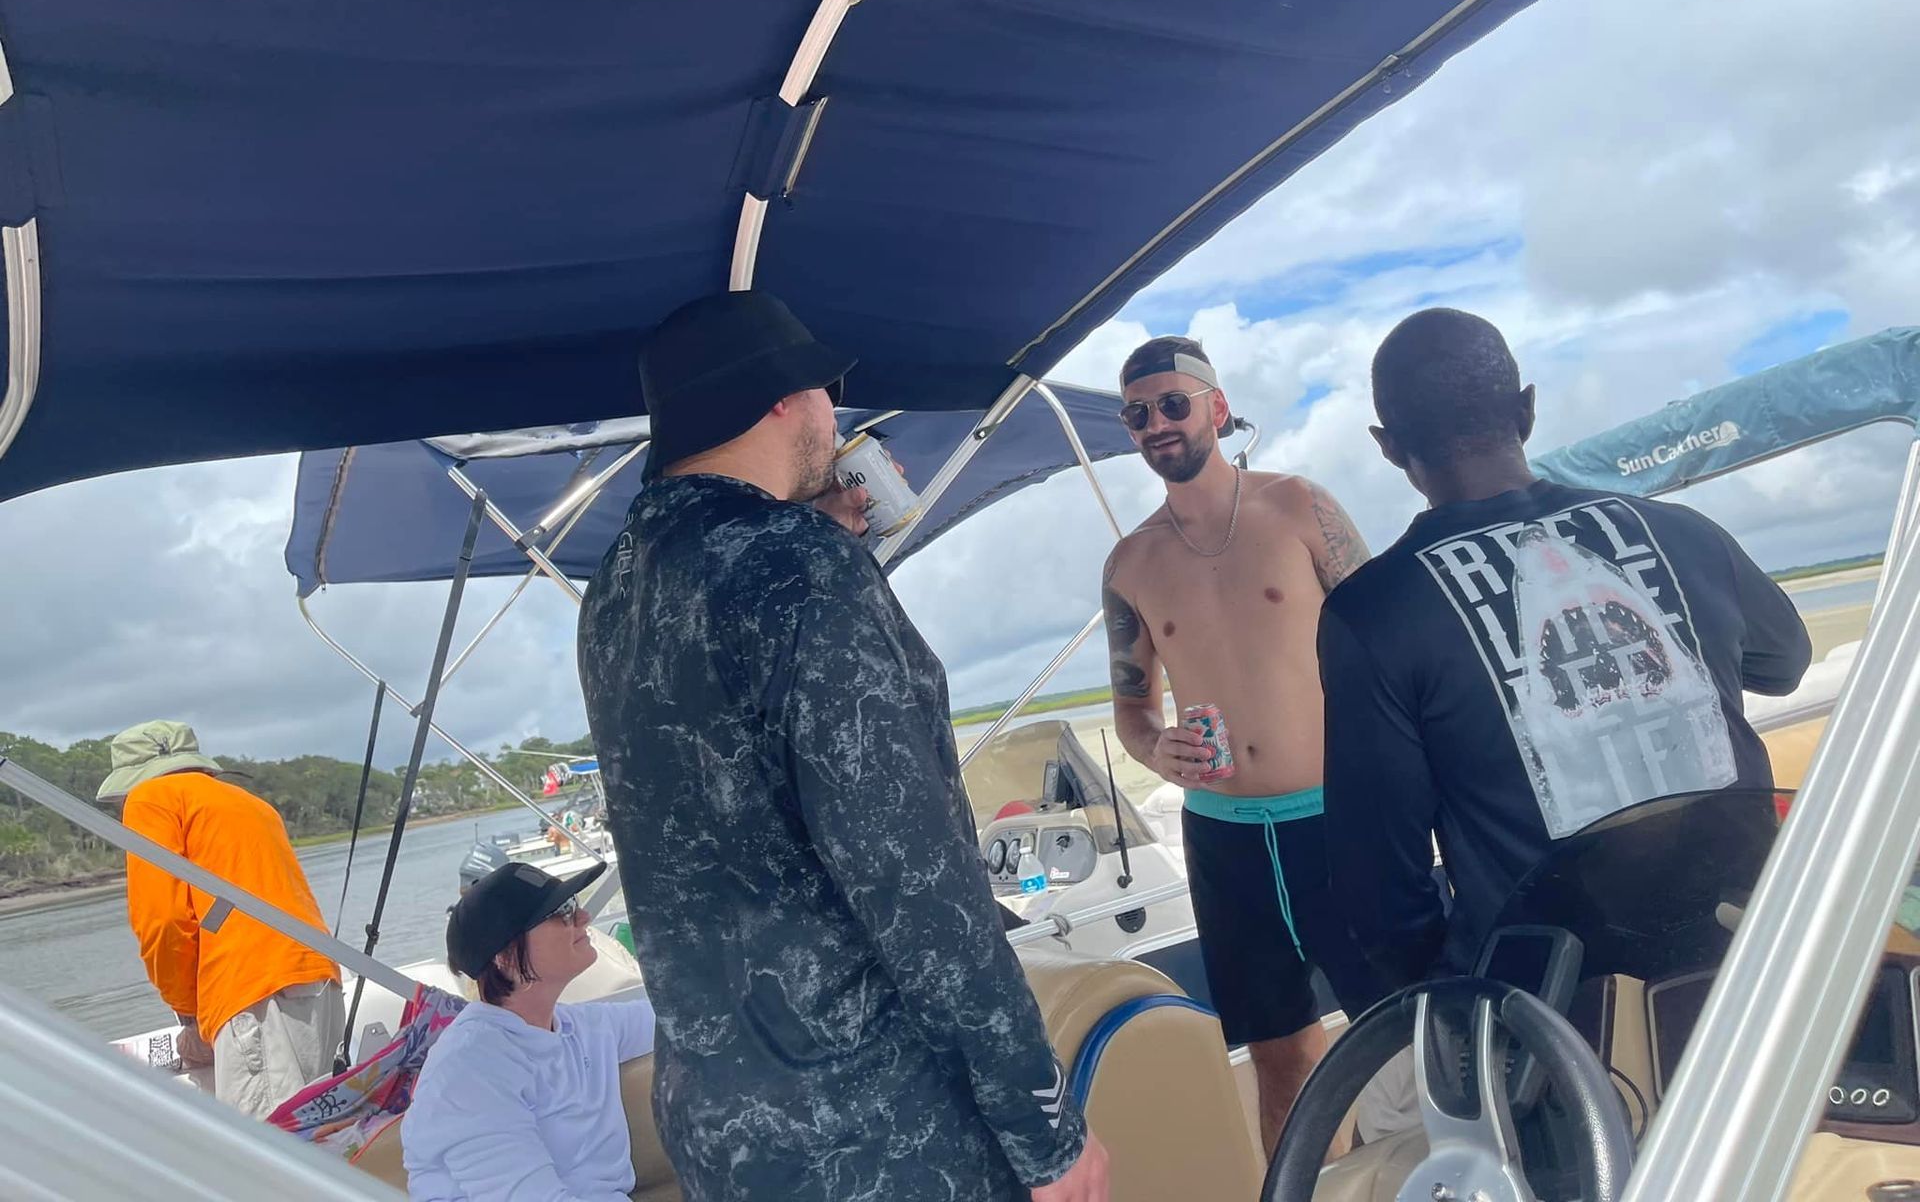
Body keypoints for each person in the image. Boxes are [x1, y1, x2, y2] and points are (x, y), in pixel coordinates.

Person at [577, 290, 1108, 1202]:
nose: (836, 412)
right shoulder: (798, 567)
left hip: (719, 1124)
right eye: (828, 390)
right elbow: (914, 879)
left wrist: (810, 541)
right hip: (874, 1131)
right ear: (784, 398)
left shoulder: (614, 592)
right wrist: (1045, 1128)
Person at [1320, 308, 1812, 989]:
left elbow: (1382, 885)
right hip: (1759, 956)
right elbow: (1784, 664)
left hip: (1562, 1017)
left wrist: (1456, 1005)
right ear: (1525, 411)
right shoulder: (1683, 532)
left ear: (1387, 445)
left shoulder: (1372, 612)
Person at [1101, 335, 1388, 1154]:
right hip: (1225, 840)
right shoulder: (1131, 563)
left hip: (1339, 818)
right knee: (1279, 1055)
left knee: (1403, 1025)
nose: (1155, 422)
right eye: (1136, 413)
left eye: (1171, 403)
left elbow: (1390, 639)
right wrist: (1157, 752)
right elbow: (1132, 712)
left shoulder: (1297, 506)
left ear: (1217, 409)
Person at [98, 720, 344, 1118]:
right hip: (319, 979)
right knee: (316, 1133)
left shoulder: (149, 799)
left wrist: (190, 1017)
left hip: (255, 995)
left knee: (271, 1150)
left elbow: (161, 920)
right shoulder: (248, 802)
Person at [402, 860, 658, 1202]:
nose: (583, 918)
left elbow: (682, 1019)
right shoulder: (469, 1070)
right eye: (562, 911)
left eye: (575, 905)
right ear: (506, 956)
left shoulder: (583, 1028)